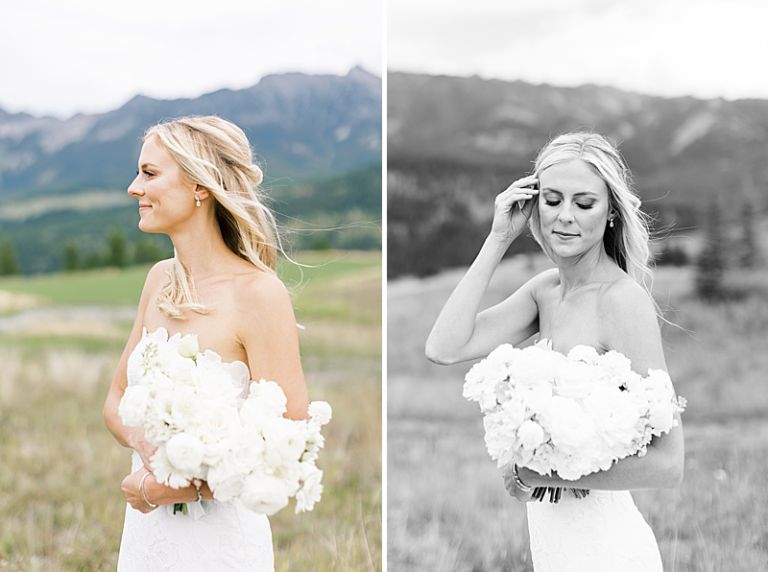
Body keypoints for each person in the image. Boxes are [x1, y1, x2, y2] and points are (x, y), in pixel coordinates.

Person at [425, 132, 684, 571]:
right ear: (534, 204)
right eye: (552, 200)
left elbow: (669, 464)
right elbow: (444, 347)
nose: (565, 216)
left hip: (607, 549)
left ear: (611, 213)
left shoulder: (622, 301)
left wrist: (538, 472)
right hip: (554, 542)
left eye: (584, 204)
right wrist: (498, 238)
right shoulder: (545, 291)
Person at [102, 115, 309, 571]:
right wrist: (153, 455)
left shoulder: (259, 294)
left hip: (222, 543)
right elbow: (115, 399)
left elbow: (289, 442)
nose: (134, 188)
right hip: (148, 535)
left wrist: (183, 485)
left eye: (149, 173)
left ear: (200, 185)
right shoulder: (159, 280)